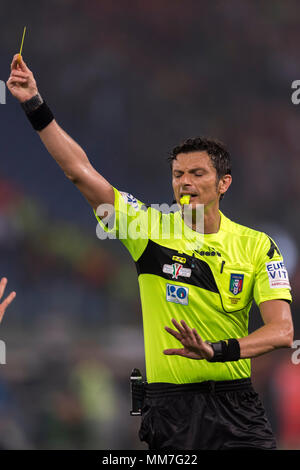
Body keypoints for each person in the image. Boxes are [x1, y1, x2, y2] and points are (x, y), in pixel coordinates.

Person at [6, 54, 294, 450]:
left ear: (224, 182)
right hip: (170, 410)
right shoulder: (148, 229)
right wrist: (35, 105)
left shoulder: (258, 244)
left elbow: (283, 331)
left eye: (197, 174)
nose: (185, 183)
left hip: (236, 406)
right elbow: (80, 171)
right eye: (178, 175)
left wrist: (217, 351)